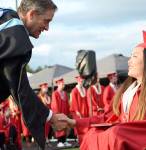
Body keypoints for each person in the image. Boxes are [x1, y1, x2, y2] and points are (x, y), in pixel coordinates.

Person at [61, 31, 146, 150]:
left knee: (114, 134)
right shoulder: (127, 91)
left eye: (134, 56)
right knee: (93, 133)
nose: (129, 61)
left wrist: (119, 131)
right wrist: (75, 122)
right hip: (120, 135)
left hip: (135, 141)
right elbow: (109, 117)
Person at [0, 0, 67, 149]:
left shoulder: (6, 16)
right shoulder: (16, 35)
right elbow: (20, 89)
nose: (47, 28)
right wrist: (51, 117)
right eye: (46, 20)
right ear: (32, 14)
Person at [51, 78, 71, 148]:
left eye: (63, 84)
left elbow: (67, 104)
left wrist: (68, 112)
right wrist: (57, 114)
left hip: (65, 113)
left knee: (65, 126)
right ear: (58, 84)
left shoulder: (64, 93)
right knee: (59, 127)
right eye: (62, 84)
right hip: (59, 113)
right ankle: (59, 141)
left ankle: (64, 141)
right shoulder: (55, 93)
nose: (63, 85)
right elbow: (54, 104)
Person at [70, 75, 89, 144]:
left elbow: (87, 101)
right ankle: (79, 140)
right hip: (78, 111)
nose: (82, 82)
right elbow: (74, 102)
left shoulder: (85, 89)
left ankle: (85, 140)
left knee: (85, 126)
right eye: (80, 81)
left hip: (85, 111)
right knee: (79, 126)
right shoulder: (74, 90)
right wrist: (77, 111)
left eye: (82, 81)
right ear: (78, 81)